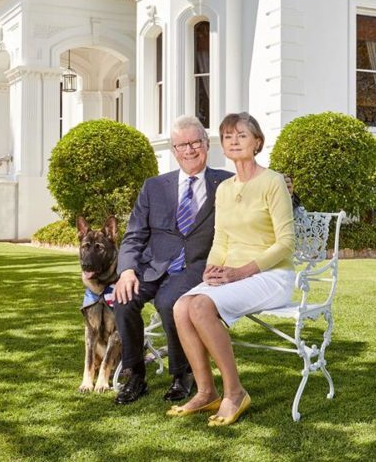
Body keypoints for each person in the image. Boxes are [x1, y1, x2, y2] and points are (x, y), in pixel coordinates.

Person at [170, 112, 296, 426]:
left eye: (242, 135)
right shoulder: (224, 189)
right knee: (181, 307)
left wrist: (242, 272)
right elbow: (222, 239)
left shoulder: (273, 182)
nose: (234, 141)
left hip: (272, 275)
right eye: (228, 136)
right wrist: (211, 269)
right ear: (222, 146)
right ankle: (206, 391)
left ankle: (235, 392)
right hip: (232, 275)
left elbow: (286, 243)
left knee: (199, 306)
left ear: (257, 142)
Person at [113, 116, 233, 405]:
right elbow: (134, 234)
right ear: (173, 150)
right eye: (182, 145)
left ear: (206, 144)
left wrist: (288, 191)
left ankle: (183, 374)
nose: (189, 150)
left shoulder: (228, 182)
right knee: (123, 299)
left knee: (169, 302)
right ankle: (136, 375)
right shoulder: (154, 187)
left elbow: (264, 198)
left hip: (196, 266)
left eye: (195, 143)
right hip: (153, 265)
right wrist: (127, 270)